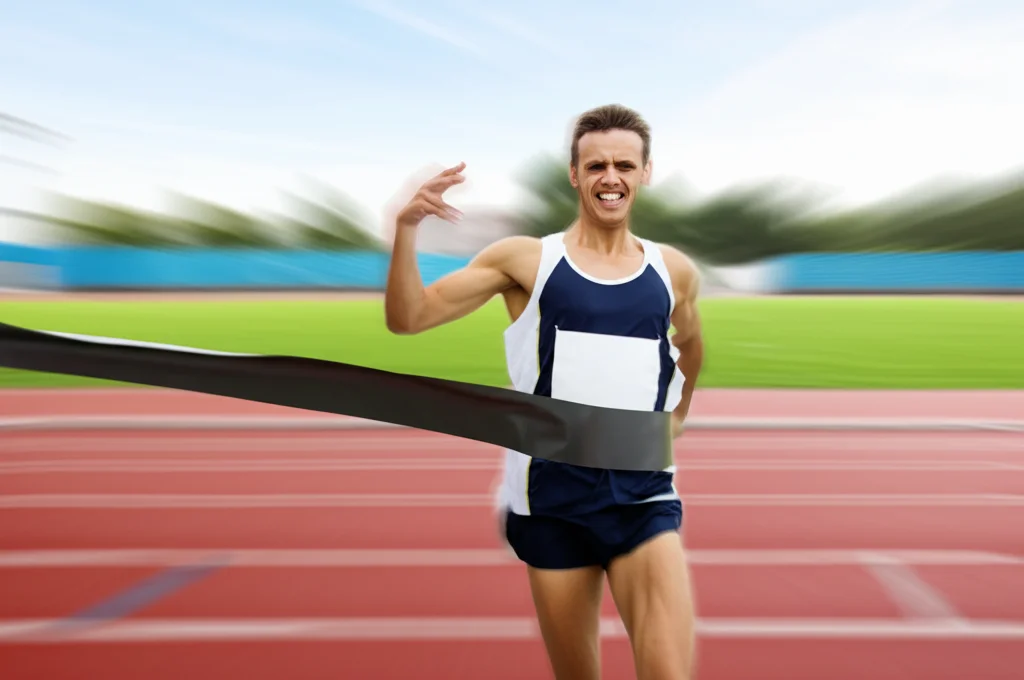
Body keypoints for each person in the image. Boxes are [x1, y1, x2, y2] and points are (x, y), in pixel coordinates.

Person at [384, 103, 704, 680]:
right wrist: (406, 229)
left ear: (645, 172)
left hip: (643, 494)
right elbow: (408, 318)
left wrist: (677, 415)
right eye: (598, 164)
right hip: (552, 500)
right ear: (575, 174)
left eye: (625, 165)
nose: (612, 177)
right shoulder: (526, 260)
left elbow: (690, 343)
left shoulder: (673, 269)